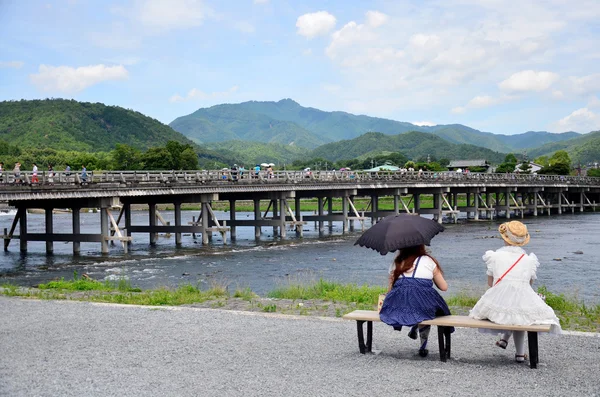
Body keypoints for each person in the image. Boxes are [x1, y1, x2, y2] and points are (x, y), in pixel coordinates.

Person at [469, 221, 561, 363]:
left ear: (504, 238)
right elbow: (528, 285)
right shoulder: (529, 260)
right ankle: (519, 353)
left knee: (512, 311)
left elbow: (490, 284)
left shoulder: (494, 256)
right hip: (519, 300)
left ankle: (505, 341)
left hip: (496, 303)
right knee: (519, 312)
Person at [379, 245, 452, 357]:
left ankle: (415, 325)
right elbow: (444, 287)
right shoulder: (428, 261)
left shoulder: (397, 262)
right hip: (423, 306)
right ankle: (423, 343)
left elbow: (390, 290)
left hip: (400, 307)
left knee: (416, 307)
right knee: (429, 309)